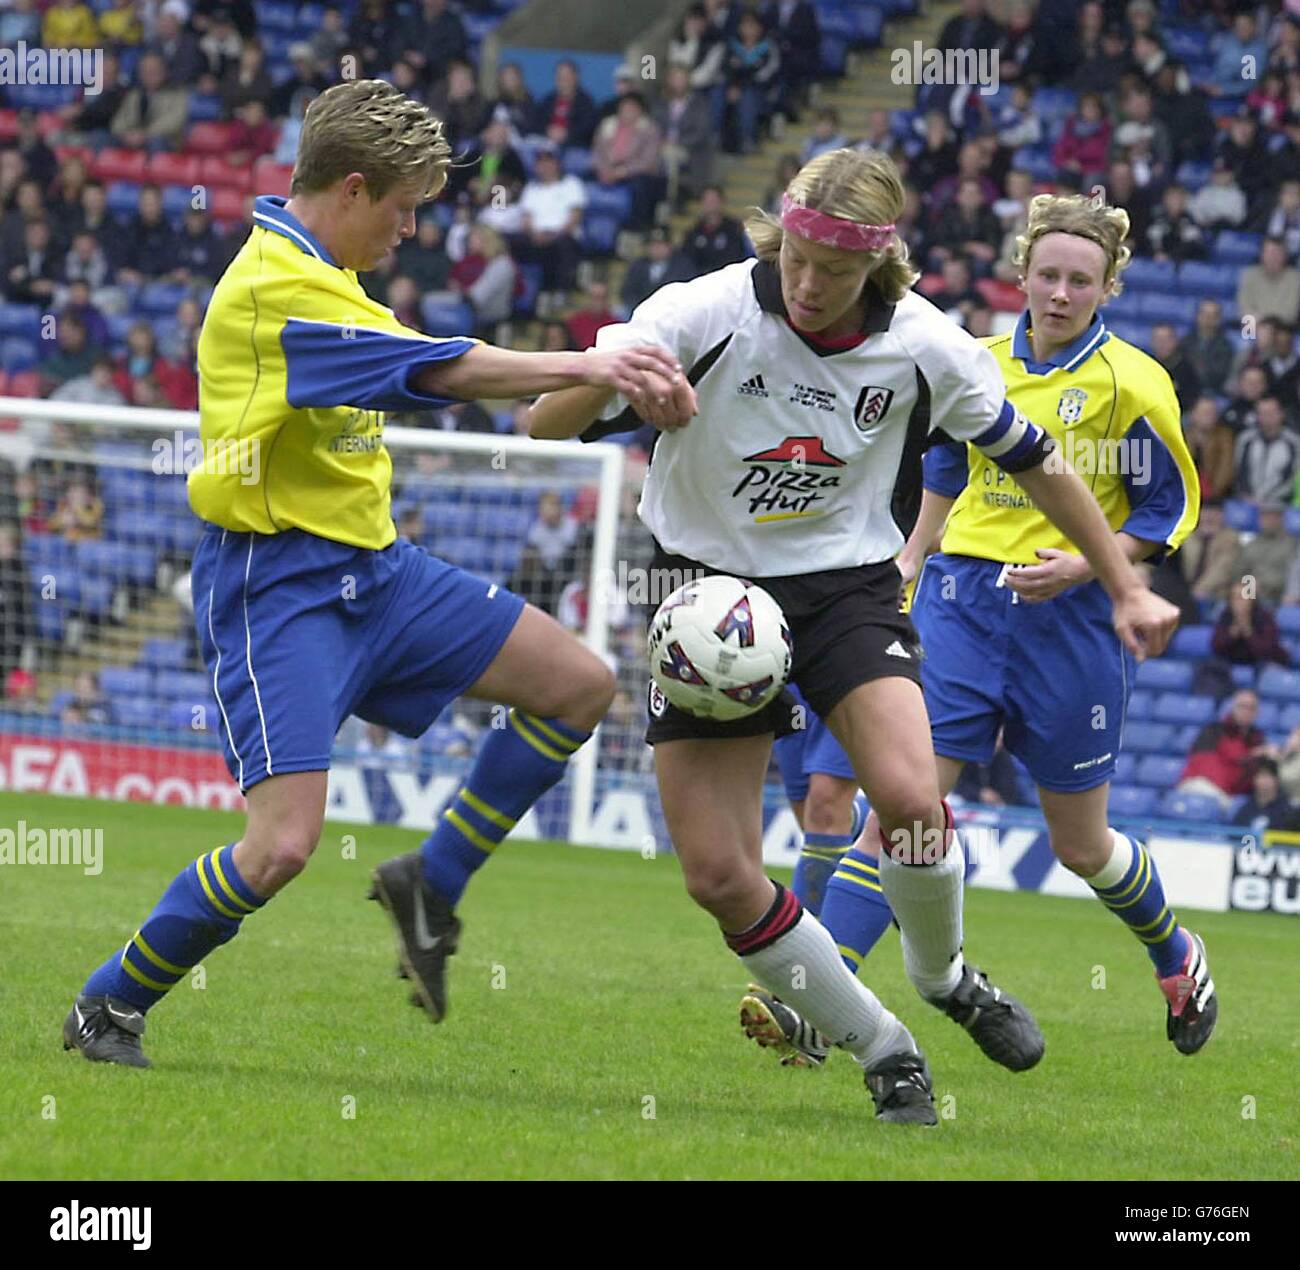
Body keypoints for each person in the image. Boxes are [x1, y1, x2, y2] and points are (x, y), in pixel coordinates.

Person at [526, 150, 1181, 1121]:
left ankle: (946, 976)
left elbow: (1038, 463)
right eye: (793, 257)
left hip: (844, 591)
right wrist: (611, 374)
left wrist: (1123, 584)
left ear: (876, 264)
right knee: (717, 873)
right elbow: (546, 421)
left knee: (913, 799)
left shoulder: (926, 346)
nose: (805, 282)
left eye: (829, 270)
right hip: (708, 597)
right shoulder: (701, 313)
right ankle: (885, 1045)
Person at [61, 79, 692, 1070]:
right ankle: (110, 1003)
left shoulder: (326, 270)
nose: (409, 230)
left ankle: (429, 883)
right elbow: (440, 369)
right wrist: (589, 365)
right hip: (279, 587)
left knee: (579, 684)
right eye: (402, 207)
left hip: (379, 573)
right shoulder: (278, 287)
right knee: (278, 847)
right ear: (351, 188)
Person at [835, 192, 1213, 1059]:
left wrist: (1086, 564)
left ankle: (1175, 952)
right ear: (1022, 274)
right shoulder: (973, 363)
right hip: (962, 605)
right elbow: (941, 455)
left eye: (1080, 279)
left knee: (1080, 845)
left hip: (1074, 624)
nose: (1059, 291)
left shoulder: (1134, 384)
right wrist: (917, 553)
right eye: (1047, 273)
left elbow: (1172, 505)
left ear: (1107, 287)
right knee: (902, 806)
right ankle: (823, 998)